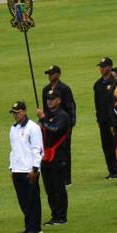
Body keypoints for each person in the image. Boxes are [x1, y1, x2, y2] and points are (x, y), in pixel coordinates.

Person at [7, 100, 43, 233]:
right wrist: (11, 167)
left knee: (32, 199)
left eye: (18, 113)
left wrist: (35, 169)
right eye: (14, 113)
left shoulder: (33, 128)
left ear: (24, 111)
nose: (15, 115)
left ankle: (35, 226)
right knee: (23, 201)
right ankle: (29, 226)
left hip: (29, 170)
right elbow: (13, 150)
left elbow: (38, 149)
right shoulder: (13, 128)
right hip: (17, 170)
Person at [37, 90, 71, 225]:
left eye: (53, 98)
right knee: (49, 188)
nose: (49, 101)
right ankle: (54, 214)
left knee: (58, 188)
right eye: (48, 99)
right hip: (46, 157)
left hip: (58, 156)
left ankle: (61, 216)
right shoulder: (47, 115)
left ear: (59, 100)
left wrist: (42, 119)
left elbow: (55, 129)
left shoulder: (63, 116)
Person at [43, 64, 76, 184]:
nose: (50, 76)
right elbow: (46, 109)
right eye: (49, 74)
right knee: (50, 149)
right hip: (50, 125)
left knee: (64, 151)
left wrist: (71, 124)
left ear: (58, 74)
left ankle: (66, 178)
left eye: (52, 74)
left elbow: (71, 106)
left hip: (63, 124)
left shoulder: (64, 89)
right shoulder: (45, 90)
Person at [93, 57, 117, 179]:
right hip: (103, 120)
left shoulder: (115, 82)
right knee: (106, 145)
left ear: (109, 67)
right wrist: (98, 118)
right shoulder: (98, 84)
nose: (101, 69)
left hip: (113, 120)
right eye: (100, 66)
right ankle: (112, 170)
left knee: (115, 145)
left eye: (104, 66)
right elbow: (97, 103)